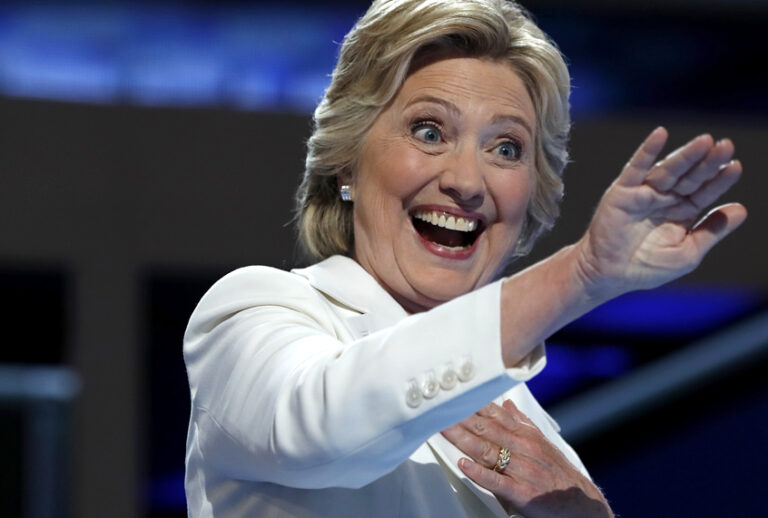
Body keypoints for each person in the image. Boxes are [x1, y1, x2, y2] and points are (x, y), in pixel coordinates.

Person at [183, 0, 746, 516]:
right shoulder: (253, 311)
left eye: (506, 148)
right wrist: (583, 273)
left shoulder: (532, 430)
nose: (466, 181)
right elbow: (319, 429)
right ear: (346, 163)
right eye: (429, 132)